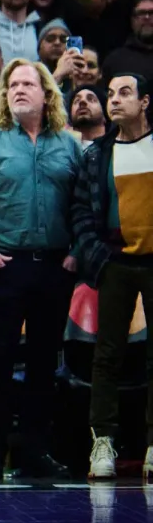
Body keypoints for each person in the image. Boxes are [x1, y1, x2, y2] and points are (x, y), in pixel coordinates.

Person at [0, 59, 81, 480]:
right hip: (3, 266)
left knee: (43, 364)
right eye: (11, 84)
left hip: (54, 266)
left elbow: (82, 204)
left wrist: (76, 252)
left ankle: (36, 451)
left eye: (27, 84)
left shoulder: (69, 145)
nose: (17, 90)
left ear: (46, 94)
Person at [72, 74, 153, 480]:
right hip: (115, 262)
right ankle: (102, 441)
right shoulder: (98, 154)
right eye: (110, 94)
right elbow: (81, 212)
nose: (114, 100)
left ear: (145, 102)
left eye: (124, 93)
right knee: (106, 356)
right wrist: (98, 259)